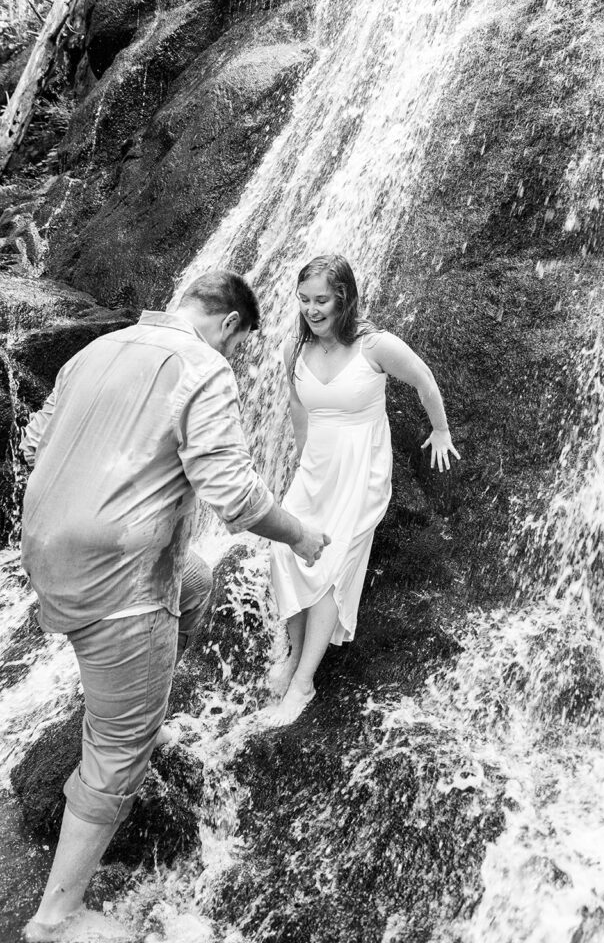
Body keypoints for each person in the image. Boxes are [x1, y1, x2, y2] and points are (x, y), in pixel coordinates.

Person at [19, 271, 329, 942]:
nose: (237, 357)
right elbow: (235, 496)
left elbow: (34, 443)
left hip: (46, 551)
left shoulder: (98, 349)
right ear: (227, 325)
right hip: (118, 578)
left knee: (190, 579)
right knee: (116, 753)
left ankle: (136, 709)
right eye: (239, 345)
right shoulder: (203, 363)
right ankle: (55, 918)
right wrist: (302, 535)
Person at [262, 254, 459, 727]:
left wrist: (441, 430)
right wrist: (304, 464)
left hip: (361, 470)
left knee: (331, 567)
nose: (312, 309)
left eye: (322, 300)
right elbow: (297, 407)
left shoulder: (376, 345)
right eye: (305, 300)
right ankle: (291, 653)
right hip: (317, 469)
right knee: (286, 553)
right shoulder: (295, 349)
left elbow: (424, 379)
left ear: (344, 298)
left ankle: (304, 681)